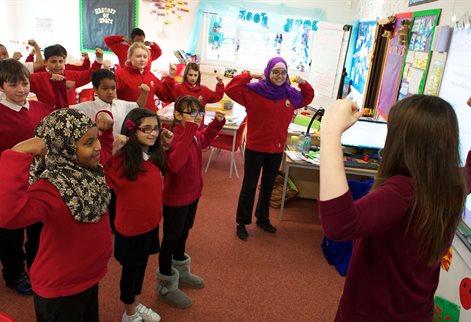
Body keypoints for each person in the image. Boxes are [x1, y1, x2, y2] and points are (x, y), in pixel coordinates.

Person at [318, 95, 470, 321]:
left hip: (372, 314)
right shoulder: (454, 185)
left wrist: (330, 131)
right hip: (417, 312)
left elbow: (339, 224)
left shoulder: (403, 191)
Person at [0, 108, 114, 321]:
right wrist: (16, 155)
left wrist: (105, 133)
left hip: (89, 277)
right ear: (65, 147)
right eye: (89, 143)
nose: (97, 147)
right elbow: (9, 216)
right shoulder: (49, 186)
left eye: (95, 139)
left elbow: (106, 153)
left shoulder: (89, 171)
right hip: (61, 290)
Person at [225, 57, 314, 240]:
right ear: (268, 72)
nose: (279, 76)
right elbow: (231, 89)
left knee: (268, 186)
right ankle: (242, 222)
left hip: (276, 149)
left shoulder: (291, 94)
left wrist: (304, 83)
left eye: (283, 72)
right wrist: (249, 75)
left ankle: (263, 218)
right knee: (249, 186)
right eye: (275, 72)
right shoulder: (254, 91)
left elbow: (307, 97)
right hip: (255, 147)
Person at [157, 95, 225, 308]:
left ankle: (181, 270)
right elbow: (175, 166)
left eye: (199, 113)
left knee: (184, 233)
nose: (197, 118)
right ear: (177, 115)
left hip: (192, 195)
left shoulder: (193, 135)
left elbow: (204, 139)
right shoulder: (174, 137)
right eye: (191, 113)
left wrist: (216, 123)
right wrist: (188, 130)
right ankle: (166, 282)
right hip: (175, 199)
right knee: (170, 238)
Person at [104, 108, 168, 322]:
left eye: (156, 128)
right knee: (131, 272)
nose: (153, 133)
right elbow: (102, 180)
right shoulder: (122, 161)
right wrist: (112, 150)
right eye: (146, 129)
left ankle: (136, 305)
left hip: (149, 225)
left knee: (141, 268)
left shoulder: (153, 155)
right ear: (132, 131)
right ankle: (129, 314)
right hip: (130, 230)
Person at [0, 59, 52, 295]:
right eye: (13, 85)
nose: (21, 89)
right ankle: (14, 273)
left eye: (24, 83)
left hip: (38, 180)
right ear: (2, 87)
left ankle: (37, 267)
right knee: (10, 234)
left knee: (38, 229)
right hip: (9, 185)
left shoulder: (39, 108)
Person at [72, 69, 150, 137]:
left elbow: (138, 105)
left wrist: (144, 93)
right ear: (95, 89)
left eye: (113, 88)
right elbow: (63, 109)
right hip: (99, 150)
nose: (110, 92)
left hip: (120, 149)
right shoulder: (86, 107)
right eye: (105, 88)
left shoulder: (121, 105)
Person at [29, 45, 103, 109]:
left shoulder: (72, 75)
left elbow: (90, 75)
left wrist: (98, 59)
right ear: (45, 62)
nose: (58, 65)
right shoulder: (38, 78)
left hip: (70, 118)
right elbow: (20, 82)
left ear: (64, 60)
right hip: (48, 118)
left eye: (60, 61)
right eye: (53, 61)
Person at [164, 62, 225, 130]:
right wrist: (170, 77)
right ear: (186, 75)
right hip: (181, 128)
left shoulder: (203, 90)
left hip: (198, 129)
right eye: (190, 75)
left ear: (198, 76)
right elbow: (165, 96)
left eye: (195, 75)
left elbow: (217, 96)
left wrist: (220, 83)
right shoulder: (179, 88)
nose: (193, 78)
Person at [115, 43, 174, 111]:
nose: (142, 59)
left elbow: (163, 93)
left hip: (151, 116)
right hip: (131, 117)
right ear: (130, 57)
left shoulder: (150, 75)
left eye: (145, 57)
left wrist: (171, 76)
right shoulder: (120, 75)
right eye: (138, 56)